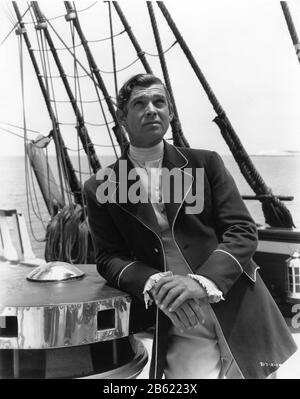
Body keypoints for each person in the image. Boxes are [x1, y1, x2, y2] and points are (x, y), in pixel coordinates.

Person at [84, 73, 297, 379]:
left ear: (170, 113)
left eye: (160, 102)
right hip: (176, 316)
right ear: (122, 118)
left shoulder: (205, 164)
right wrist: (155, 283)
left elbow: (241, 231)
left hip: (236, 301)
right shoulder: (100, 186)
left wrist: (199, 282)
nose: (152, 109)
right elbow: (108, 258)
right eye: (140, 103)